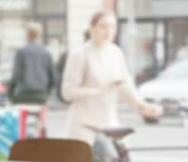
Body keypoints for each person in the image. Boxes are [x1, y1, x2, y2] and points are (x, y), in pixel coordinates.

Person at [62, 10, 161, 154]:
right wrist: (98, 90)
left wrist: (142, 106)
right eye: (103, 26)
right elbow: (67, 92)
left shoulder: (116, 53)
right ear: (92, 28)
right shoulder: (80, 55)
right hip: (85, 127)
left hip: (110, 124)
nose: (109, 31)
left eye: (112, 27)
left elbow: (125, 87)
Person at [8, 22, 56, 104]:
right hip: (41, 94)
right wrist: (47, 92)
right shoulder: (46, 53)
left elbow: (16, 75)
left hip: (24, 94)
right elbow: (52, 76)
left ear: (27, 35)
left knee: (23, 115)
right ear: (40, 35)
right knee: (39, 116)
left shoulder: (21, 52)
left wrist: (11, 94)